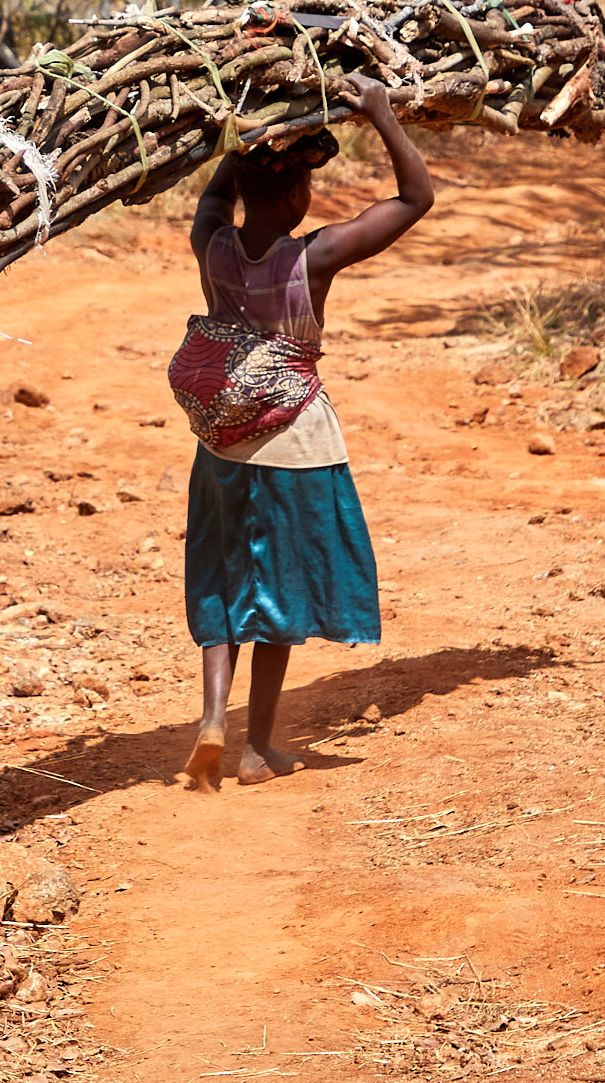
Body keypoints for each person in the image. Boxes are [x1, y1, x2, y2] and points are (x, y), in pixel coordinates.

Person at [166, 77, 433, 790]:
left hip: (221, 443)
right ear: (293, 197)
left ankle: (212, 719)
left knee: (222, 578)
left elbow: (217, 197)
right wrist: (380, 113)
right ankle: (256, 747)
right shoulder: (310, 260)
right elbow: (416, 199)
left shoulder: (211, 247)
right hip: (294, 447)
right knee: (276, 591)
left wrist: (243, 136)